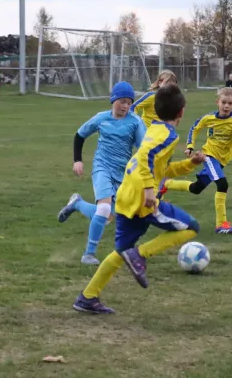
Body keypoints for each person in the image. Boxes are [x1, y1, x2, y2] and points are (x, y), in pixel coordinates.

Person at [73, 84, 205, 315]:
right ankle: (140, 255)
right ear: (181, 112)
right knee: (191, 227)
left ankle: (87, 297)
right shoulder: (168, 135)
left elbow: (160, 168)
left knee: (120, 251)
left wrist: (189, 165)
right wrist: (149, 191)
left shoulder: (153, 128)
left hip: (126, 195)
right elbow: (145, 158)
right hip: (141, 199)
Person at [57, 81, 146, 266]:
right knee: (104, 209)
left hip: (122, 174)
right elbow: (79, 135)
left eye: (129, 102)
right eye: (122, 101)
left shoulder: (135, 122)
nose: (125, 106)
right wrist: (77, 160)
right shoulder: (101, 118)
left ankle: (77, 204)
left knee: (107, 217)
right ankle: (88, 254)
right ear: (113, 100)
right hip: (102, 167)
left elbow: (144, 148)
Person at [159, 87, 232, 234]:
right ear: (217, 102)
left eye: (230, 103)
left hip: (221, 161)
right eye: (223, 102)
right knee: (222, 184)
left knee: (197, 188)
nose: (226, 106)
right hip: (208, 156)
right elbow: (195, 128)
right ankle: (221, 224)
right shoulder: (209, 118)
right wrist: (190, 146)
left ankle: (166, 183)